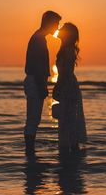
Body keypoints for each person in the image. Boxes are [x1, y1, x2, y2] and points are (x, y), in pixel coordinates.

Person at [24, 10, 61, 155]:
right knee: (33, 120)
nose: (57, 28)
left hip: (35, 81)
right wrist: (41, 86)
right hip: (35, 81)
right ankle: (29, 151)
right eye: (56, 24)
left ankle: (30, 151)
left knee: (33, 120)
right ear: (49, 23)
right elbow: (37, 66)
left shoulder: (38, 38)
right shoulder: (38, 39)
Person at [53, 23, 87, 153]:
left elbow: (65, 73)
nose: (59, 29)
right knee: (68, 121)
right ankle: (71, 153)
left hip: (68, 87)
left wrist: (58, 87)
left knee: (68, 121)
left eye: (62, 29)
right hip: (69, 85)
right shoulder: (66, 49)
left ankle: (70, 151)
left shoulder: (67, 51)